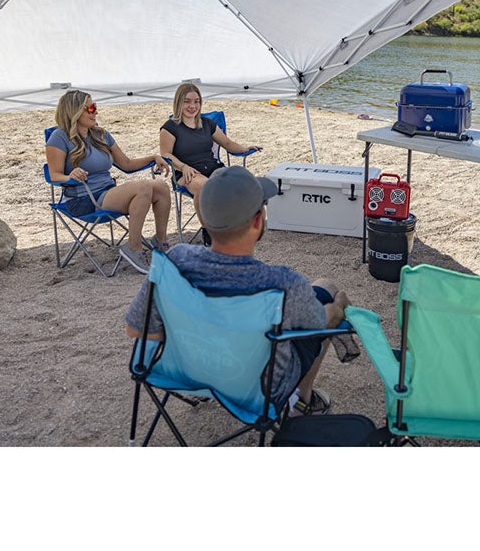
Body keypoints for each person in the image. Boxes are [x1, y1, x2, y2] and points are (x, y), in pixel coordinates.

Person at [125, 166, 349, 416]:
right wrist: (337, 310)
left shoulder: (174, 262)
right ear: (257, 220)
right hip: (259, 388)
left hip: (188, 371)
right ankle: (301, 399)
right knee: (330, 298)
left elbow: (137, 329)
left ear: (205, 218)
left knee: (323, 289)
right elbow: (317, 326)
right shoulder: (284, 284)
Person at [46, 90, 171, 273]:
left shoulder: (100, 135)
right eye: (90, 107)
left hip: (107, 192)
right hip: (83, 199)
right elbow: (54, 175)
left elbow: (127, 165)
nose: (95, 111)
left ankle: (160, 243)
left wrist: (153, 157)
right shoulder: (59, 137)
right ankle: (134, 248)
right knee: (143, 187)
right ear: (74, 111)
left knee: (160, 186)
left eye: (95, 107)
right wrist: (70, 176)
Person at [158, 82, 262, 229]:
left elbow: (227, 143)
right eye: (187, 101)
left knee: (240, 181)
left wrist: (244, 149)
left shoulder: (208, 124)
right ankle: (210, 231)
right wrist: (183, 166)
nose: (192, 106)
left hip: (213, 168)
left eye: (196, 101)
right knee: (206, 188)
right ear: (178, 102)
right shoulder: (170, 127)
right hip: (187, 173)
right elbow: (165, 153)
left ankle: (234, 226)